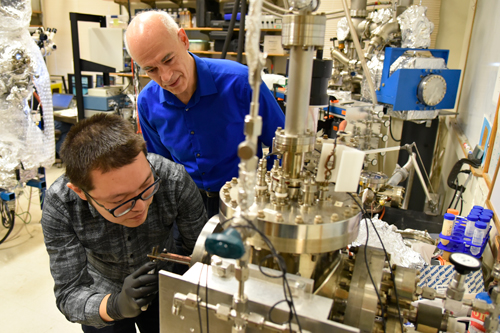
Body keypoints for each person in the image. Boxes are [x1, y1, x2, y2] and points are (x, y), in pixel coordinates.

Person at [41, 113, 207, 332]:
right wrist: (114, 305)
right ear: (80, 192)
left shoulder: (173, 179)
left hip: (164, 286)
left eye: (146, 186)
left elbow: (200, 256)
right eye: (120, 201)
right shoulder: (61, 204)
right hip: (101, 294)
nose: (140, 207)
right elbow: (69, 294)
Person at [125, 11, 285, 218]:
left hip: (244, 202)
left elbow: (281, 148)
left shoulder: (241, 83)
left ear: (183, 40)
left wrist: (270, 197)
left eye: (168, 59)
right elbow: (161, 166)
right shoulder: (147, 102)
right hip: (186, 205)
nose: (166, 76)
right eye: (151, 70)